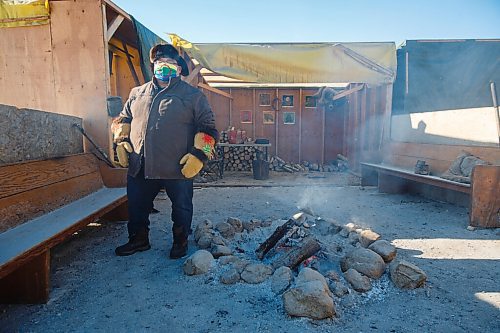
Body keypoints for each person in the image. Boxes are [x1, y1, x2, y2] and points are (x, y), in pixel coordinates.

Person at [113, 43, 218, 259]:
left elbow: (209, 129)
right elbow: (123, 119)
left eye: (171, 63)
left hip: (176, 165)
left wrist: (199, 155)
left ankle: (180, 241)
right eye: (161, 63)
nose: (165, 67)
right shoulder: (137, 93)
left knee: (181, 208)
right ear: (153, 66)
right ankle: (138, 239)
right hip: (141, 164)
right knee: (136, 206)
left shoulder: (193, 96)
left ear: (179, 69)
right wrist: (121, 140)